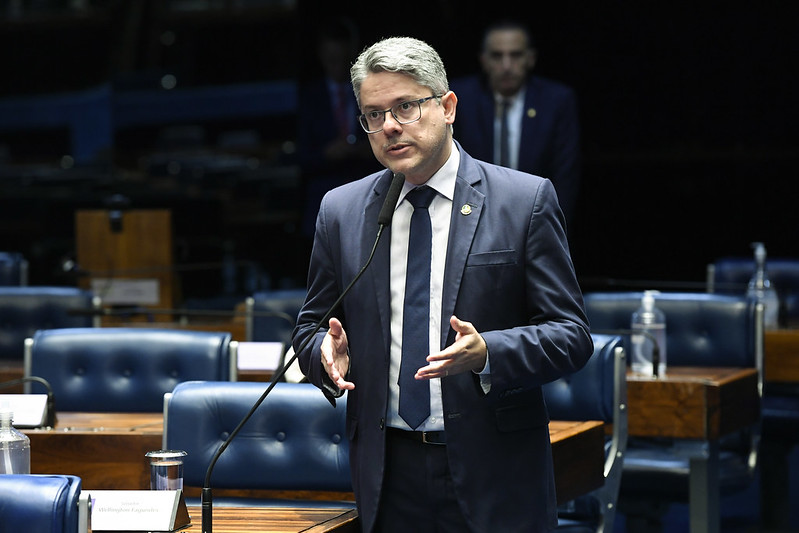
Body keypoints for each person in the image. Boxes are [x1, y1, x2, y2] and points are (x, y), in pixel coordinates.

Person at [292, 35, 593, 533]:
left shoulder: (524, 201)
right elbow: (309, 330)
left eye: (405, 107)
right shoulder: (341, 211)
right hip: (388, 474)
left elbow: (571, 335)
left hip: (493, 468)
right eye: (373, 114)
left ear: (447, 106)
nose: (389, 127)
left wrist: (489, 351)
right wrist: (323, 353)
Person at [450, 20, 581, 226]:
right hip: (470, 217)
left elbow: (565, 176)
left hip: (536, 218)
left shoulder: (555, 100)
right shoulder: (461, 98)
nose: (506, 66)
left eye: (515, 55)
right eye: (497, 56)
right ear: (483, 60)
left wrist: (553, 226)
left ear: (531, 58)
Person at [296, 18, 378, 237]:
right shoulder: (310, 98)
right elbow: (301, 156)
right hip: (324, 200)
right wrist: (327, 153)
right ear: (321, 55)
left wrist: (369, 150)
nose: (339, 67)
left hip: (367, 198)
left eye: (346, 60)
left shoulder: (372, 92)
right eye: (333, 60)